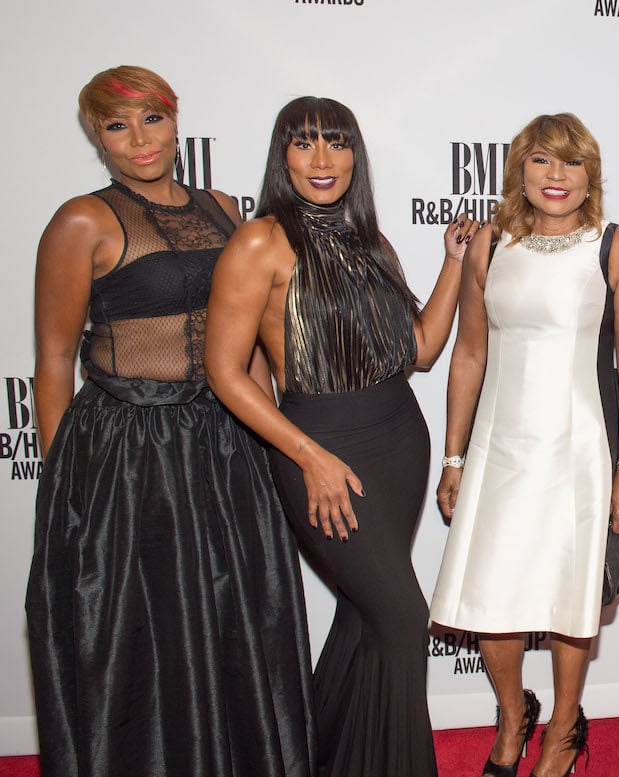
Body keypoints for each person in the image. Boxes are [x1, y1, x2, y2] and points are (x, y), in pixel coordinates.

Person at [26, 66, 314, 777]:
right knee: (141, 636)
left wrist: (282, 447)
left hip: (223, 446)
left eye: (150, 119)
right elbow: (55, 362)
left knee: (236, 622)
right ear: (98, 139)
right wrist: (72, 492)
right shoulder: (81, 220)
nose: (139, 140)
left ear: (174, 118)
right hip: (127, 454)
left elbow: (242, 348)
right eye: (117, 127)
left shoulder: (222, 208)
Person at [204, 96, 479, 777]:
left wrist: (452, 262)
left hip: (398, 444)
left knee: (363, 623)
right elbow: (223, 371)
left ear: (356, 154)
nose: (322, 159)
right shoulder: (259, 241)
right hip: (319, 449)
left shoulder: (374, 243)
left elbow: (417, 348)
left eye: (337, 142)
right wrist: (308, 456)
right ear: (282, 156)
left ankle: (323, 759)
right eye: (304, 144)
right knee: (403, 619)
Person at [431, 113, 619, 777]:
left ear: (591, 174)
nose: (556, 176)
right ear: (519, 172)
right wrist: (453, 455)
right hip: (500, 445)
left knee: (567, 597)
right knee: (489, 596)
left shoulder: (616, 246)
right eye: (541, 161)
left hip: (578, 447)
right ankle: (511, 717)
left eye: (571, 162)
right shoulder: (491, 244)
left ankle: (562, 727)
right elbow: (468, 352)